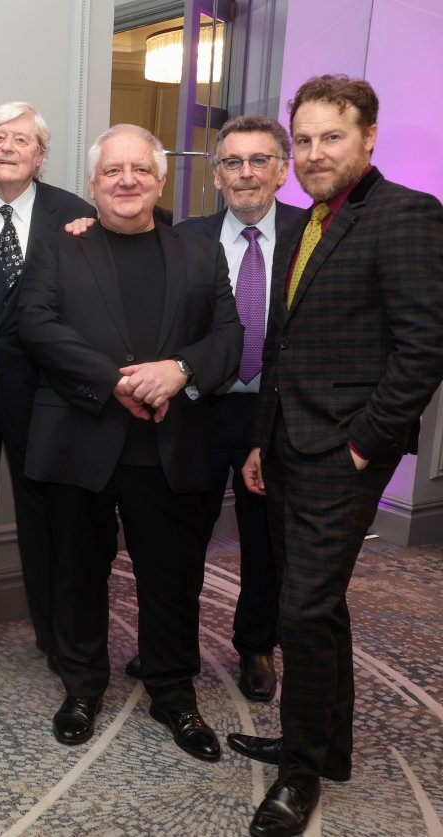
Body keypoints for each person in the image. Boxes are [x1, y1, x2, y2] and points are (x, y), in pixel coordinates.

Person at [236, 76, 443, 837]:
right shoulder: (308, 223)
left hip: (343, 453)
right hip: (289, 443)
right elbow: (282, 349)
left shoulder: (408, 216)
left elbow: (425, 348)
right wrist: (261, 438)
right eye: (307, 139)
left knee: (301, 609)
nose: (316, 152)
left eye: (333, 137)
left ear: (369, 137)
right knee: (316, 605)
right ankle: (329, 746)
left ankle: (298, 774)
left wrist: (364, 444)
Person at [17, 124, 241, 760]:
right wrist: (108, 381)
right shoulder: (59, 248)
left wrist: (182, 369)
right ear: (93, 185)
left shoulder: (200, 253)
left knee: (172, 579)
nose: (126, 180)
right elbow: (33, 324)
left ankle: (174, 693)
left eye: (139, 170)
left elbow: (229, 334)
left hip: (169, 446)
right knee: (77, 574)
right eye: (113, 171)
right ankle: (83, 685)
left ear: (160, 180)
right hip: (80, 437)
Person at [151, 115, 300, 703]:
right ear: (216, 174)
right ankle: (173, 645)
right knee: (180, 535)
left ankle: (256, 645)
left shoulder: (310, 234)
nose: (246, 173)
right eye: (233, 162)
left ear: (281, 170)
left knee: (265, 540)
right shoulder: (184, 237)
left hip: (276, 411)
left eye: (259, 160)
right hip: (199, 406)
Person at [0, 103, 91, 676]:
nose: (6, 147)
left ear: (41, 154)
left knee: (45, 520)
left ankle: (54, 635)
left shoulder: (75, 215)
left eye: (20, 139)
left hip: (43, 394)